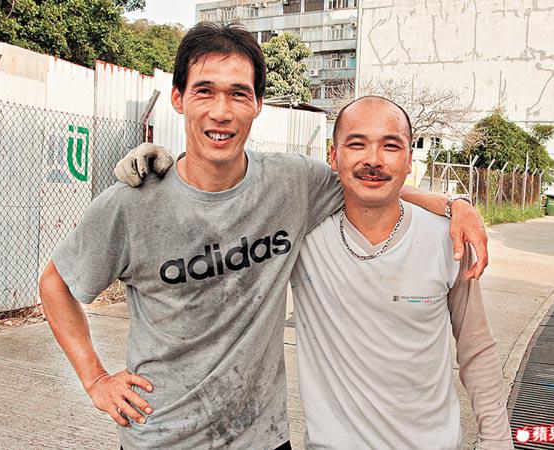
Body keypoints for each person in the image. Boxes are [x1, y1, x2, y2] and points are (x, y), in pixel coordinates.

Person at [39, 22, 487, 449]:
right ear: (178, 98)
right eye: (204, 91)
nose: (221, 112)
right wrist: (95, 379)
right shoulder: (131, 203)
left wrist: (455, 204)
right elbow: (56, 284)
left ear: (257, 104)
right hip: (161, 437)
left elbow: (368, 180)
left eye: (238, 93)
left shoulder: (291, 183)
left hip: (263, 437)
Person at [289, 96, 513, 449]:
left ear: (410, 160)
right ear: (333, 155)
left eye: (390, 146)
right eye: (356, 144)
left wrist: (497, 440)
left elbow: (477, 347)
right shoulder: (301, 234)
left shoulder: (447, 239)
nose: (373, 160)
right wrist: (453, 202)